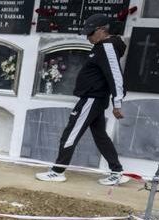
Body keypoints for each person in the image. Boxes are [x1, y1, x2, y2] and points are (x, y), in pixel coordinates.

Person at [35, 13, 130, 186]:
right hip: (93, 98)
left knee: (70, 133)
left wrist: (117, 103)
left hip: (92, 99)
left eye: (90, 33)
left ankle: (57, 171)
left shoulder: (107, 47)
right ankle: (117, 171)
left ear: (102, 30)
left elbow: (116, 76)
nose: (88, 37)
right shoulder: (102, 46)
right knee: (100, 136)